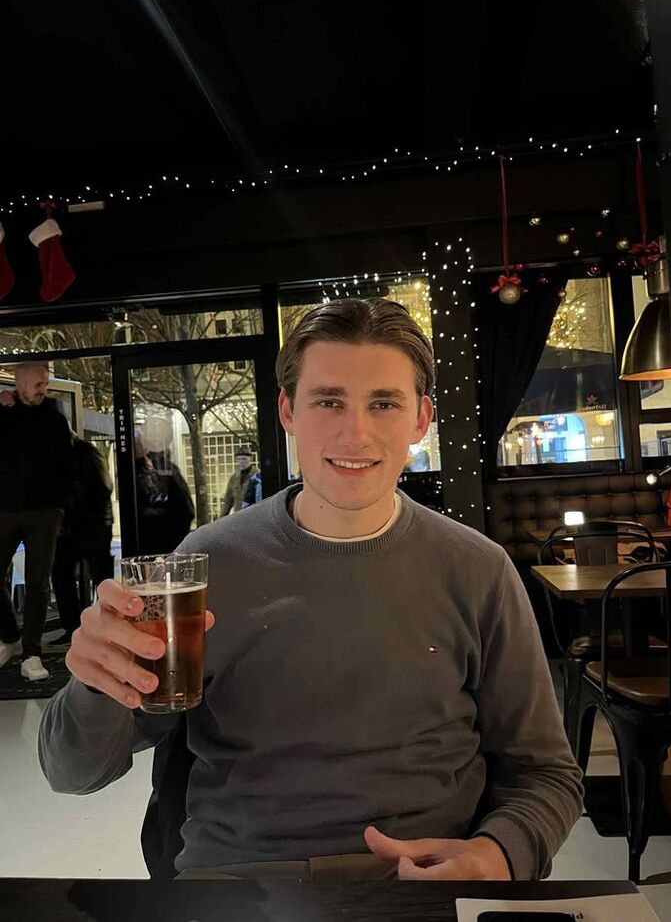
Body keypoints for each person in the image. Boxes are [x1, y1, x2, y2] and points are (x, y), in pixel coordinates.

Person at [39, 299, 583, 881]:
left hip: (423, 882)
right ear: (287, 411)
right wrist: (95, 682)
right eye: (328, 401)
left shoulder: (477, 570)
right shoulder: (205, 568)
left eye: (383, 404)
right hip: (238, 885)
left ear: (420, 419)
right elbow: (74, 771)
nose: (356, 432)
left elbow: (546, 772)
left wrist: (497, 855)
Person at [0, 361, 72, 680]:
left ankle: (31, 654)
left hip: (44, 512)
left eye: (45, 383)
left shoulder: (54, 418)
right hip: (4, 510)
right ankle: (10, 637)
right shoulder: (3, 414)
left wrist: (61, 506)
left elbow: (66, 463)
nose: (43, 389)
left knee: (38, 584)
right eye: (38, 384)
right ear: (19, 385)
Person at [50, 433, 114, 644]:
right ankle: (76, 626)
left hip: (89, 525)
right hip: (82, 525)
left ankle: (98, 624)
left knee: (95, 576)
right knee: (66, 575)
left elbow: (102, 488)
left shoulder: (84, 454)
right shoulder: (77, 455)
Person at [134, 428, 195, 555]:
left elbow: (184, 509)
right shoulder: (157, 469)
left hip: (159, 543)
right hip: (159, 542)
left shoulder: (163, 470)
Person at [220, 451, 257, 515]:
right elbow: (228, 501)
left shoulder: (257, 476)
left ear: (251, 458)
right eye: (238, 459)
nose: (241, 462)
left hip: (254, 514)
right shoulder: (234, 478)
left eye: (244, 459)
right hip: (238, 515)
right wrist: (222, 518)